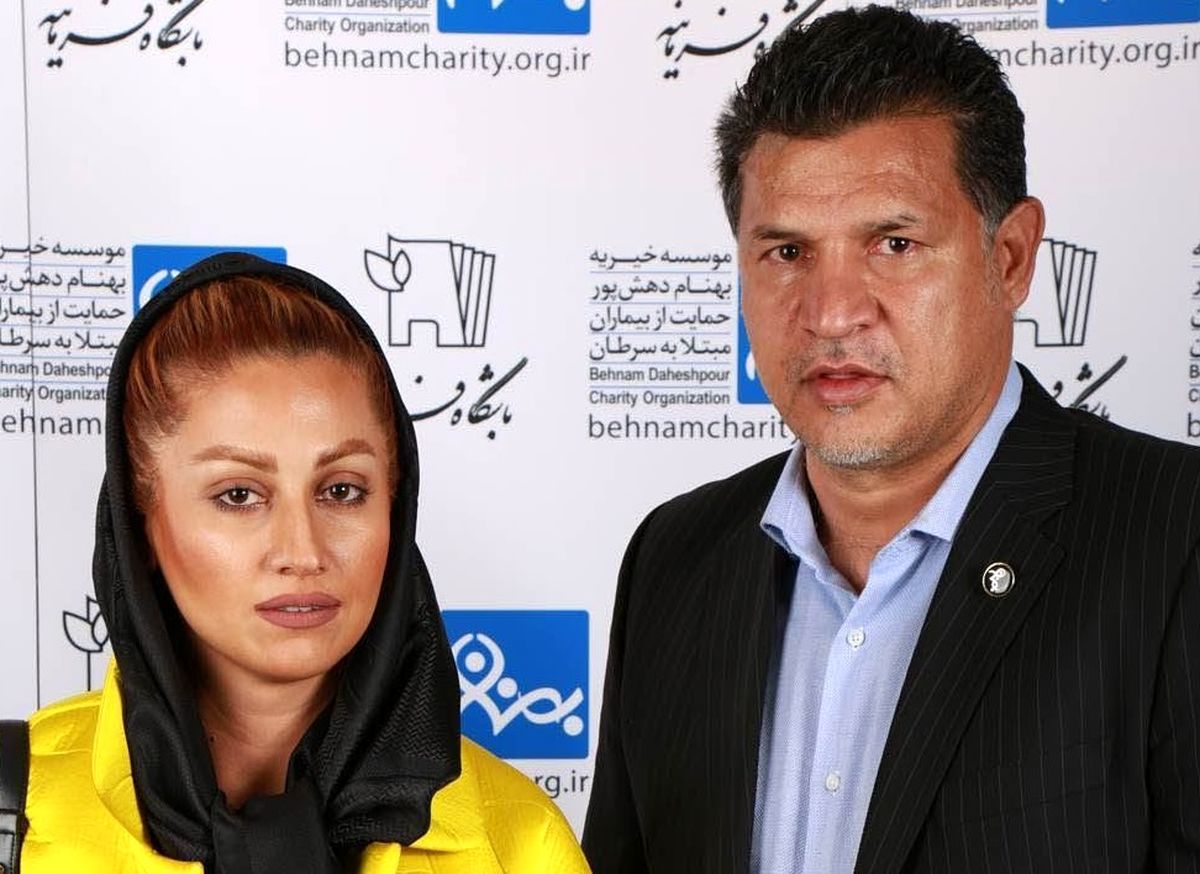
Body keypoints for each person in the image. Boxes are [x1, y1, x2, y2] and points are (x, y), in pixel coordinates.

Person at [583, 7, 1200, 874]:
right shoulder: (673, 559)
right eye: (788, 253)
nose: (833, 313)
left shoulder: (1177, 539)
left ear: (1012, 257)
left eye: (895, 244)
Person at [19, 253, 590, 873]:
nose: (303, 552)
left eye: (341, 490)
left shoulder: (519, 843)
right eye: (238, 495)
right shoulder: (20, 815)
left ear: (395, 507)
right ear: (142, 527)